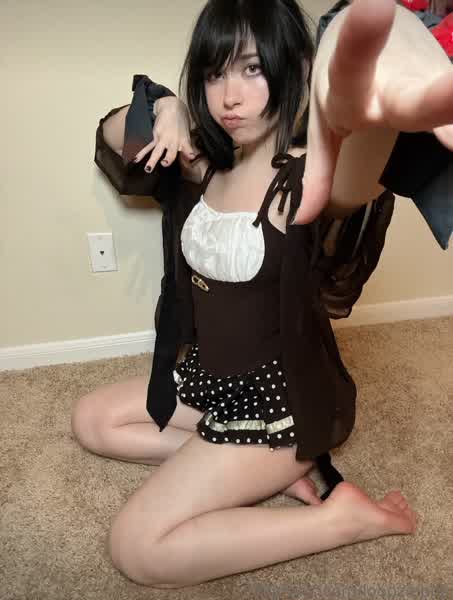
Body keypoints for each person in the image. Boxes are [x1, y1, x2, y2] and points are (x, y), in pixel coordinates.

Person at [72, 0, 452, 589]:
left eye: (251, 69)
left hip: (280, 409)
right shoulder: (203, 164)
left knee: (137, 548)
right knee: (92, 420)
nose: (229, 96)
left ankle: (341, 519)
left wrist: (367, 110)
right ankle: (249, 473)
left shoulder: (305, 178)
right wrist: (165, 108)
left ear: (294, 70)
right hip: (211, 383)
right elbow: (113, 135)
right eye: (214, 72)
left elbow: (354, 167)